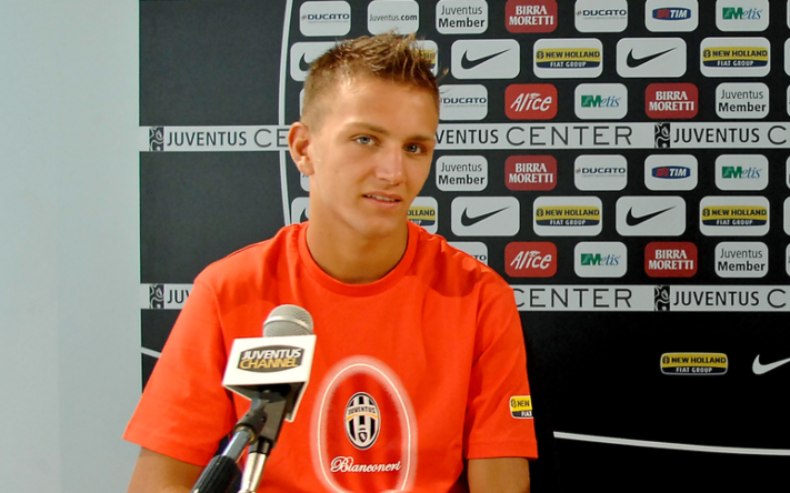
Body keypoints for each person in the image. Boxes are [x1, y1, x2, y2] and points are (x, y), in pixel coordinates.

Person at [124, 32, 537, 492]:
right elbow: (158, 483)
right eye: (366, 139)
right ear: (304, 149)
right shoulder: (229, 292)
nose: (393, 172)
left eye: (414, 148)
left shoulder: (478, 297)